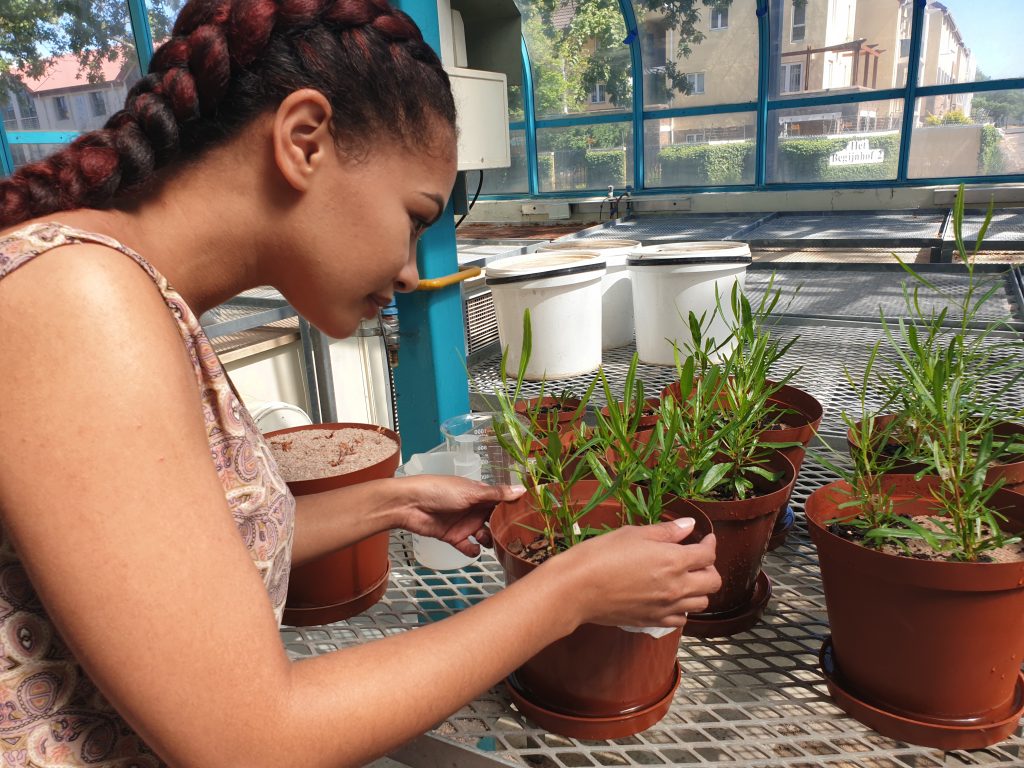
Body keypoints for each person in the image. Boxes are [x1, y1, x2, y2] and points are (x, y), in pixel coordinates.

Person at [0, 0, 721, 765]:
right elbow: (251, 742)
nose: (413, 269)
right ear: (304, 140)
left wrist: (392, 502)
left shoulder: (120, 292)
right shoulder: (77, 299)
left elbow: (171, 575)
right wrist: (566, 595)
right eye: (415, 217)